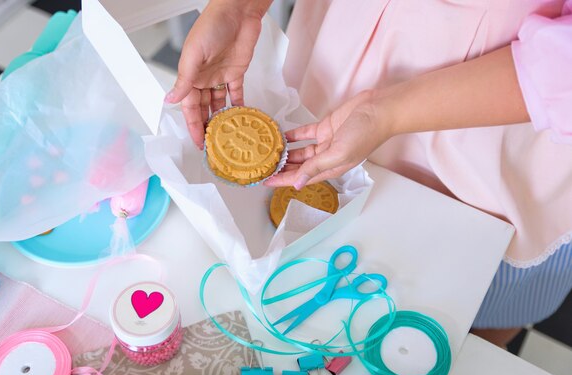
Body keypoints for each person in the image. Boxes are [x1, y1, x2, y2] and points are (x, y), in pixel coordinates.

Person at [165, 0, 572, 348]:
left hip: (492, 139)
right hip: (336, 68)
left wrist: (386, 113)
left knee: (472, 314)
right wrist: (239, 8)